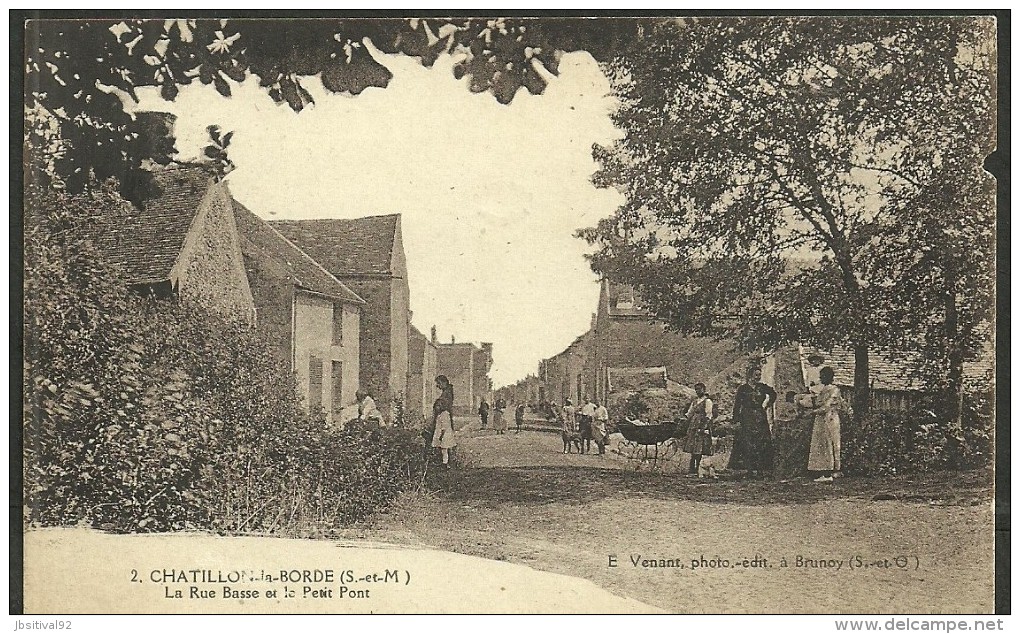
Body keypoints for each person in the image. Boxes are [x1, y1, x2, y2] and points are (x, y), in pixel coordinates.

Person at [727, 364, 777, 478]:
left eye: (759, 375)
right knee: (747, 443)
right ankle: (749, 470)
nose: (758, 377)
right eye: (756, 375)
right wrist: (736, 419)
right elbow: (737, 405)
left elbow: (773, 394)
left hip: (760, 417)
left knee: (761, 444)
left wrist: (767, 404)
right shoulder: (743, 389)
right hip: (747, 417)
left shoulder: (762, 387)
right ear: (750, 376)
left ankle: (760, 471)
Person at [807, 367, 845, 482]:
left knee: (829, 442)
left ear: (830, 377)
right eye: (821, 376)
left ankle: (829, 471)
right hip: (821, 419)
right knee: (821, 444)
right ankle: (822, 470)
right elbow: (818, 402)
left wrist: (812, 412)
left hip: (829, 417)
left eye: (823, 376)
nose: (821, 378)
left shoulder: (834, 390)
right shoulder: (823, 389)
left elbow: (826, 406)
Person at [683, 383, 715, 476]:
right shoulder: (695, 401)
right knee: (693, 447)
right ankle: (692, 468)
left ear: (704, 390)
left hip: (701, 425)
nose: (697, 391)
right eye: (696, 389)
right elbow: (689, 413)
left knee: (699, 447)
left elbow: (708, 415)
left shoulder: (707, 401)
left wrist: (703, 427)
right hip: (693, 425)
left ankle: (698, 468)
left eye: (699, 389)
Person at [431, 375, 457, 468]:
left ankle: (445, 462)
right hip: (443, 418)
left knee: (444, 442)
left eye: (439, 383)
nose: (437, 386)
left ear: (443, 382)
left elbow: (444, 404)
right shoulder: (447, 392)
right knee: (445, 443)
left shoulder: (447, 393)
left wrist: (438, 405)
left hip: (444, 418)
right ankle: (446, 461)